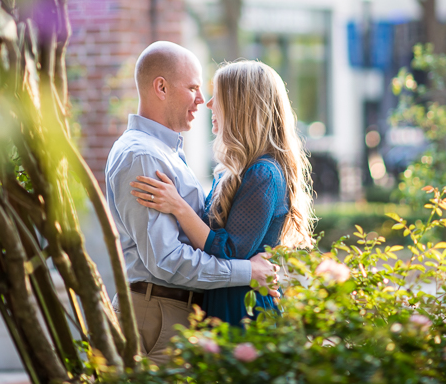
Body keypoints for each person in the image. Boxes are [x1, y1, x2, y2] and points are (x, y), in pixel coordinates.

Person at [105, 42, 279, 363]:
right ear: (161, 87)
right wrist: (247, 272)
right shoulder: (144, 156)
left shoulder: (166, 152)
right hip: (156, 314)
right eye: (194, 88)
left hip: (171, 312)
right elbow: (167, 261)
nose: (203, 100)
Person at [130, 59, 314, 325]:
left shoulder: (263, 173)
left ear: (243, 106)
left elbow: (229, 251)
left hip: (243, 308)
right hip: (225, 298)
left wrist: (178, 206)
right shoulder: (236, 171)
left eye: (219, 96)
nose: (208, 104)